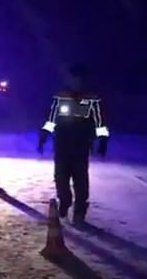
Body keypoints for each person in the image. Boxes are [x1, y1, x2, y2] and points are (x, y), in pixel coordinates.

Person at [38, 64, 109, 225]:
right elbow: (51, 119)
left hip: (81, 145)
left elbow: (100, 122)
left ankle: (80, 211)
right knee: (61, 178)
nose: (77, 82)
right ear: (69, 80)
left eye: (80, 80)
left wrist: (103, 141)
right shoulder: (60, 96)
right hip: (62, 144)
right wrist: (43, 137)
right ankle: (65, 201)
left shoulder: (92, 98)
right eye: (74, 79)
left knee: (81, 180)